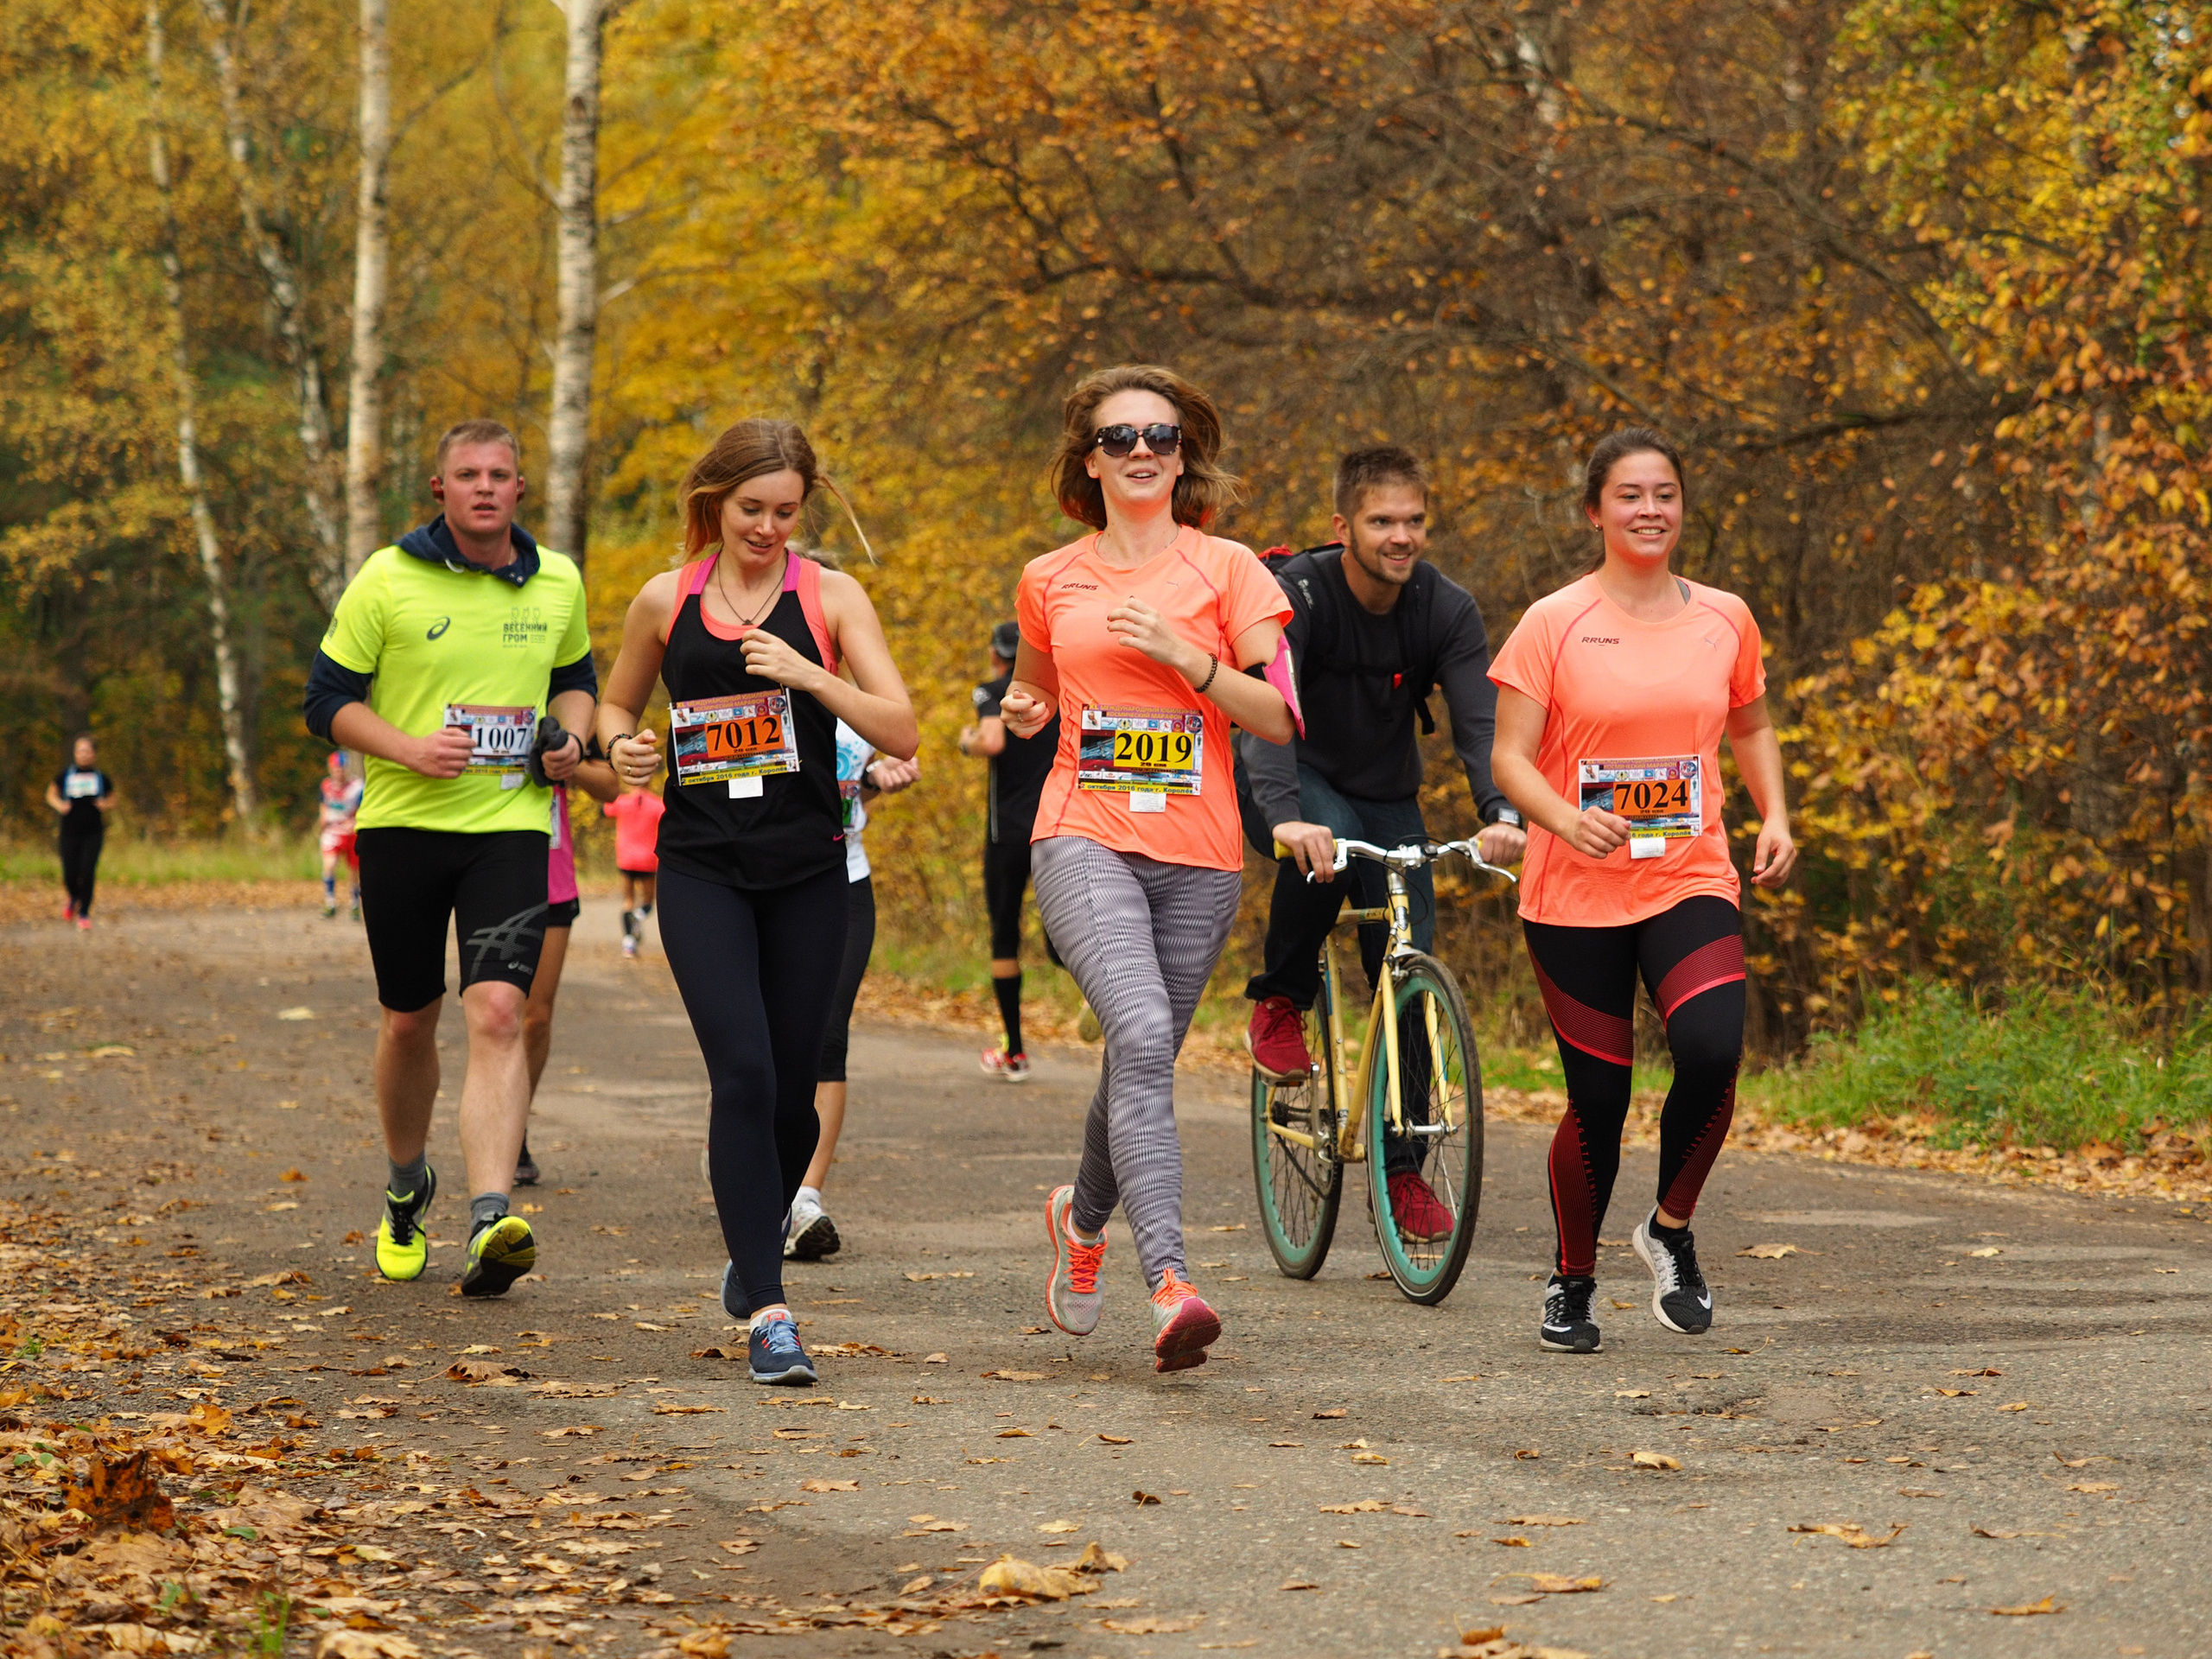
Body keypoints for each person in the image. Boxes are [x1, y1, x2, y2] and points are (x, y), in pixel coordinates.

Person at [595, 418, 917, 1388]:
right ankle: (769, 1308)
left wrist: (809, 671)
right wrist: (623, 749)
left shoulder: (832, 595)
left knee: (788, 1096)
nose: (768, 529)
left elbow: (901, 723)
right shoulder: (667, 598)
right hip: (701, 869)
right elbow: (616, 707)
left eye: (785, 512)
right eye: (751, 510)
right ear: (715, 500)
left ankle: (751, 1241)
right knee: (740, 1071)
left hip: (810, 869)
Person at [1001, 364, 1294, 1375]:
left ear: (1182, 456)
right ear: (1089, 459)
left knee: (1142, 1056)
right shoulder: (1051, 576)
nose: (1139, 451)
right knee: (1136, 1030)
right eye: (1119, 436)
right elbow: (1031, 691)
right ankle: (1168, 1281)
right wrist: (1019, 714)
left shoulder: (1231, 571)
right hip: (1081, 832)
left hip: (1201, 854)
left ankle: (1079, 1226)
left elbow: (1280, 714)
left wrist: (1186, 656)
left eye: (1159, 437)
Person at [1487, 426, 1796, 1354]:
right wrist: (1559, 816)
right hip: (1574, 887)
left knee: (1710, 1046)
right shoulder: (1553, 620)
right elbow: (1508, 755)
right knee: (1599, 1101)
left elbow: (1750, 724)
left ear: (1681, 507)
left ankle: (1668, 1230)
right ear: (1595, 511)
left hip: (1687, 871)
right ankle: (1569, 1280)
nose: (1649, 509)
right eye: (1629, 495)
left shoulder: (1724, 617)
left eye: (1664, 493)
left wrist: (1773, 813)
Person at [302, 418, 594, 1299]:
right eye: (466, 474)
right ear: (440, 489)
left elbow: (575, 678)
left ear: (517, 489)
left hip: (509, 827)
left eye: (499, 475)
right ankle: (405, 1187)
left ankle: (490, 1216)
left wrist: (569, 742)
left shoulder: (556, 581)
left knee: (501, 1010)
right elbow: (325, 701)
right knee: (407, 1021)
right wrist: (403, 747)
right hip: (400, 828)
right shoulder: (387, 578)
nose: (483, 487)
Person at [1237, 447, 1528, 1241]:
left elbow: (1478, 723)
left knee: (1410, 957)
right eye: (1381, 522)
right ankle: (1281, 998)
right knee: (1330, 846)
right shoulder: (1296, 594)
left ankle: (1403, 1173)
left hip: (1384, 787)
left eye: (1413, 521)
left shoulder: (1445, 608)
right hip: (1289, 773)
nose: (1401, 537)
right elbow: (1267, 712)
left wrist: (1501, 807)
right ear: (1343, 527)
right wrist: (1285, 815)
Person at [788, 718, 921, 1260]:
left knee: (828, 1037)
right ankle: (744, 1155)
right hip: (767, 882)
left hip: (846, 879)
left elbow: (852, 788)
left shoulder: (862, 702)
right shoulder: (755, 675)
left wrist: (878, 777)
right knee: (766, 1038)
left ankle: (803, 1200)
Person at [959, 620, 1060, 1080]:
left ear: (997, 655)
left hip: (1008, 833)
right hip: (1059, 828)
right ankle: (1094, 995)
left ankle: (1015, 1051)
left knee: (1005, 935)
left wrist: (967, 742)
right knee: (1068, 930)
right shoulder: (1063, 694)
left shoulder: (993, 690)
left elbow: (993, 740)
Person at [516, 755, 620, 1186]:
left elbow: (610, 786)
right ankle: (493, 1122)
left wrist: (563, 762)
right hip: (484, 870)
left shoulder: (565, 704)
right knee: (494, 1014)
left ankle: (514, 1125)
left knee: (535, 1018)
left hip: (551, 878)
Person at [46, 734, 115, 931]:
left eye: (87, 751)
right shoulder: (65, 776)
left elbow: (113, 800)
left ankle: (84, 913)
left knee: (87, 870)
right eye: (79, 751)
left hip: (93, 832)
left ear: (94, 754)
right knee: (69, 872)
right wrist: (60, 805)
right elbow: (50, 794)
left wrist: (105, 804)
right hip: (69, 831)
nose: (83, 755)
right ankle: (74, 896)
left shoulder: (101, 778)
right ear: (75, 753)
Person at [603, 781, 665, 958]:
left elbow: (605, 810)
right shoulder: (657, 804)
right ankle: (638, 917)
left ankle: (628, 944)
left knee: (628, 901)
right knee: (647, 902)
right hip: (648, 859)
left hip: (626, 858)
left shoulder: (622, 802)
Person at [317, 751, 365, 919]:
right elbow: (323, 807)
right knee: (329, 865)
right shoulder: (326, 786)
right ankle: (330, 902)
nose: (339, 772)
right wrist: (322, 824)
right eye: (336, 769)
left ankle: (354, 904)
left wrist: (355, 822)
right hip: (332, 831)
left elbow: (364, 809)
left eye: (342, 769)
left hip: (351, 832)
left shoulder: (358, 787)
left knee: (354, 871)